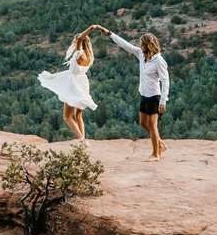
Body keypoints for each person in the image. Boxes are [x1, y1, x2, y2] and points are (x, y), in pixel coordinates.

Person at [99, 26, 170, 159]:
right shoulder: (141, 55)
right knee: (143, 123)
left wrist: (163, 101)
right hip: (144, 95)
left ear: (149, 45)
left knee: (152, 125)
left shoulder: (159, 61)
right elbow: (126, 45)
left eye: (142, 44)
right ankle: (160, 144)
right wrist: (109, 33)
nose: (140, 46)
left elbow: (165, 81)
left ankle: (156, 154)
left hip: (154, 96)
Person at [37, 25, 102, 141]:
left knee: (67, 117)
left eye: (76, 41)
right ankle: (82, 140)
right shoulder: (89, 56)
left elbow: (80, 38)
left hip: (73, 84)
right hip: (82, 83)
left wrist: (91, 28)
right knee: (78, 115)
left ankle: (82, 141)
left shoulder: (79, 53)